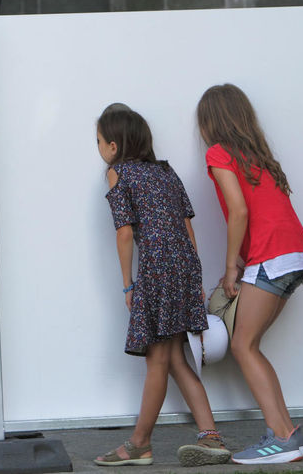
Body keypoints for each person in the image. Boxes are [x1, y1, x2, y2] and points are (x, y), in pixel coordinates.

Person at [93, 105, 230, 468]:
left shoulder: (117, 172)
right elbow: (188, 228)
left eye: (98, 141)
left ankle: (139, 444)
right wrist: (195, 279)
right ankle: (210, 436)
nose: (98, 148)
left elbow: (124, 233)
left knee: (157, 358)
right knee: (173, 358)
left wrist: (128, 286)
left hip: (156, 269)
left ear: (112, 145)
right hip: (184, 266)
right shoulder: (165, 171)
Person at [195, 84, 303, 465]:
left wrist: (231, 267)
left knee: (243, 345)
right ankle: (287, 433)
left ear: (210, 121)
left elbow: (240, 210)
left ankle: (281, 437)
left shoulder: (219, 153)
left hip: (271, 257)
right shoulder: (256, 157)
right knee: (251, 344)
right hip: (295, 255)